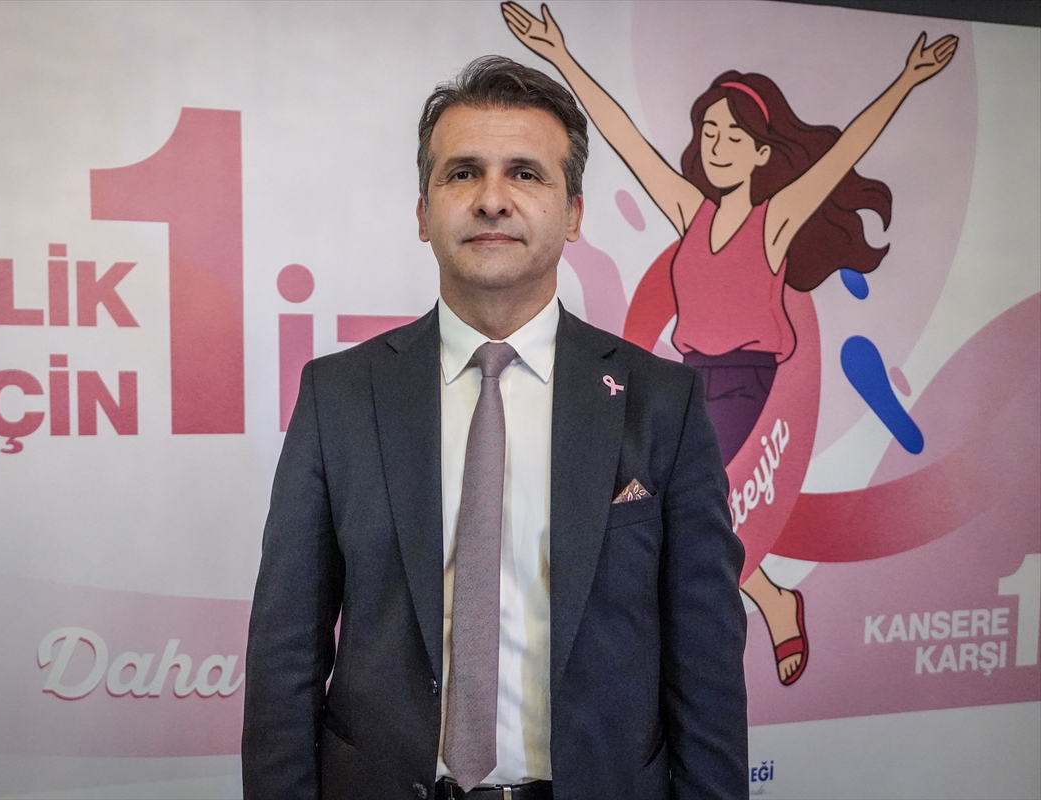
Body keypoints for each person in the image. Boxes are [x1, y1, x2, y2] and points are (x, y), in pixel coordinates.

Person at [243, 55, 747, 800]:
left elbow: (707, 663)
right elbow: (286, 653)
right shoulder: (339, 396)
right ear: (423, 212)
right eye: (462, 173)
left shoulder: (662, 402)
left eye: (525, 174)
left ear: (573, 214)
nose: (491, 200)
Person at [503, 1, 957, 686]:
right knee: (683, 516)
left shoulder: (775, 222)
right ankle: (773, 600)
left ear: (763, 153)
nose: (716, 144)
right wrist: (560, 55)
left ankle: (728, 631)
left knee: (686, 519)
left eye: (733, 135)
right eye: (709, 131)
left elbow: (843, 156)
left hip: (745, 386)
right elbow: (624, 138)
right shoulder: (692, 212)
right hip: (685, 383)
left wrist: (907, 80)